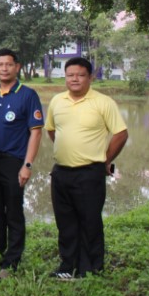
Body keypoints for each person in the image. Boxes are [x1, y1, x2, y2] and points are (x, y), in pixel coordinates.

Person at [45, 57, 128, 279]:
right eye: (70, 75)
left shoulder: (103, 102)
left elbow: (121, 134)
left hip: (90, 172)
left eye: (80, 75)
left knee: (90, 221)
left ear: (90, 77)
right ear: (65, 77)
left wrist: (105, 160)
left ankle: (91, 269)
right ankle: (67, 267)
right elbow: (51, 130)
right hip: (61, 172)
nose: (75, 79)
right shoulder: (57, 101)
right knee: (65, 222)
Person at [0, 48, 43, 278]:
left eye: (9, 64)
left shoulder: (27, 95)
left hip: (14, 162)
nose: (4, 68)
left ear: (17, 67)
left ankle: (12, 261)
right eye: (0, 64)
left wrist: (27, 165)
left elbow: (36, 132)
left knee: (13, 211)